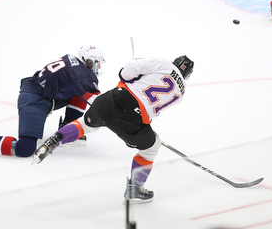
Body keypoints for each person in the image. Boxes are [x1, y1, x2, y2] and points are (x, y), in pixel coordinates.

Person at [31, 55, 194, 204]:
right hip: (132, 121)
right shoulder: (181, 93)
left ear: (175, 62)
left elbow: (126, 73)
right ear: (187, 76)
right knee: (151, 147)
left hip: (111, 99)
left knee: (84, 124)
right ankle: (135, 188)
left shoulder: (163, 63)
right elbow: (152, 110)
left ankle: (55, 140)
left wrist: (133, 74)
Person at [0, 44, 105, 158]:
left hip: (45, 94)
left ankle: (67, 125)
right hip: (34, 99)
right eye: (97, 63)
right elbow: (99, 102)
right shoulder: (80, 74)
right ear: (89, 61)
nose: (98, 67)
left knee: (79, 93)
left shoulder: (73, 62)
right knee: (25, 149)